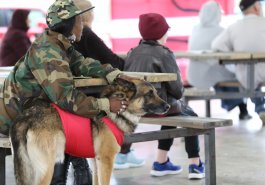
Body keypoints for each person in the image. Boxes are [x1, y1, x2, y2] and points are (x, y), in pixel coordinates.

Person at [0, 0, 129, 184]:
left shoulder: (60, 43)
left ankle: (76, 176)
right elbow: (67, 99)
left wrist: (112, 73)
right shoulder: (48, 52)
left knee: (77, 123)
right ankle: (68, 177)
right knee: (74, 121)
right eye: (79, 21)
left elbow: (82, 63)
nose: (82, 24)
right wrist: (107, 104)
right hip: (16, 119)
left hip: (33, 113)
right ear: (70, 24)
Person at [124, 13, 205, 179]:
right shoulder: (164, 53)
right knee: (190, 116)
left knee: (173, 113)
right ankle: (195, 164)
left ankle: (161, 162)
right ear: (161, 33)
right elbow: (177, 90)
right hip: (157, 106)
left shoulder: (132, 52)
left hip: (135, 107)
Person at [73, 0, 145, 172]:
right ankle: (122, 151)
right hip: (87, 96)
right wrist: (132, 57)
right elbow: (113, 63)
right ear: (88, 14)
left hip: (74, 94)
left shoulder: (67, 35)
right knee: (132, 100)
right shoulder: (86, 34)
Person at [187, 0, 251, 120]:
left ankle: (239, 107)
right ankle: (244, 109)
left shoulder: (195, 29)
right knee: (238, 74)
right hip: (209, 75)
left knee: (222, 72)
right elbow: (231, 54)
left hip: (193, 75)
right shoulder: (221, 31)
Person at [211, 0, 265, 123]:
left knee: (250, 78)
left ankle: (261, 109)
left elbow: (216, 46)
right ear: (256, 8)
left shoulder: (233, 27)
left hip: (245, 76)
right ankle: (261, 108)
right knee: (254, 78)